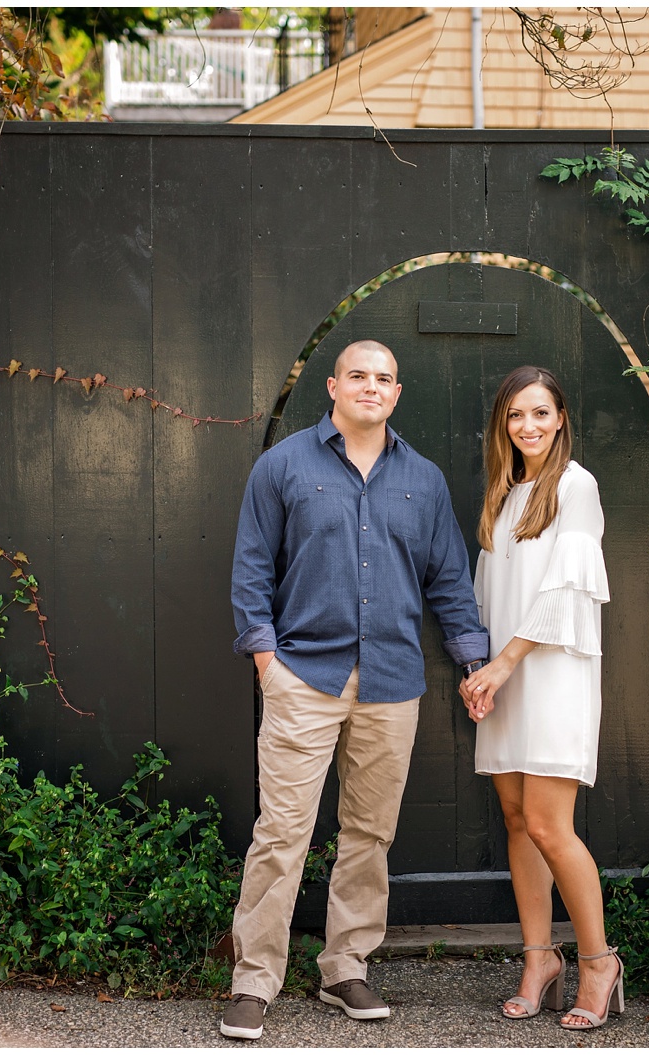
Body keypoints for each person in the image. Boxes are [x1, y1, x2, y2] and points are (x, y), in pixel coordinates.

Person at [221, 339, 490, 1041]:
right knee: (282, 831)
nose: (371, 386)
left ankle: (345, 964)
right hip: (302, 675)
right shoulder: (283, 466)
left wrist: (472, 663)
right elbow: (252, 566)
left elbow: (448, 580)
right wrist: (263, 658)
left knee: (369, 832)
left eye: (384, 378)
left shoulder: (424, 480)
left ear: (396, 394)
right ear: (334, 387)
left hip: (394, 681)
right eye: (359, 375)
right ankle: (254, 978)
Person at [458, 365, 619, 1031]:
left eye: (541, 413)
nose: (528, 426)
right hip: (502, 674)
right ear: (503, 423)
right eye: (516, 415)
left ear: (560, 419)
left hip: (549, 672)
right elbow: (486, 592)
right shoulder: (503, 491)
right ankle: (538, 958)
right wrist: (481, 670)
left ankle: (598, 960)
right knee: (518, 819)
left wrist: (503, 664)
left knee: (552, 823)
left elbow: (560, 595)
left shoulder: (575, 486)